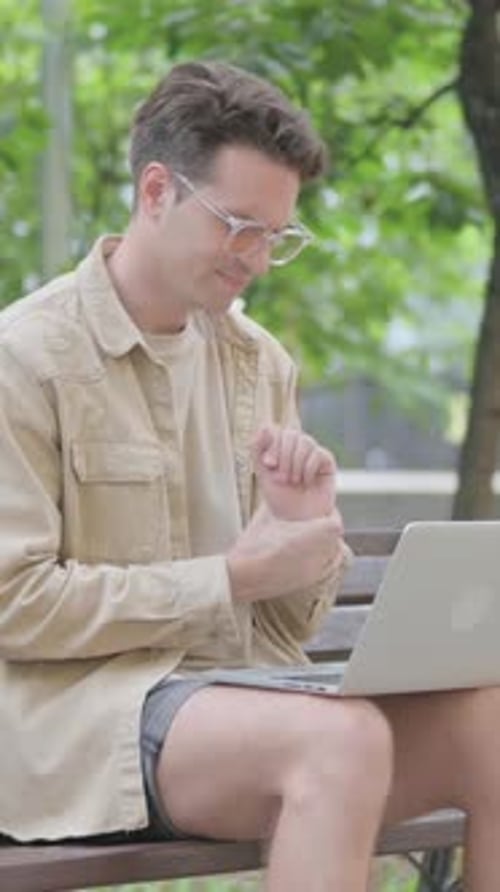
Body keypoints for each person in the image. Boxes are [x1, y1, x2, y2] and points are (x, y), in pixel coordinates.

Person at [0, 59, 498, 892]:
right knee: (339, 743)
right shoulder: (25, 359)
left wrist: (306, 535)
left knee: (493, 720)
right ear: (156, 191)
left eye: (277, 235)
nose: (259, 261)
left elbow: (289, 623)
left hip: (241, 697)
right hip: (79, 722)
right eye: (239, 226)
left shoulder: (258, 361)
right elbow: (14, 603)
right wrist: (228, 577)